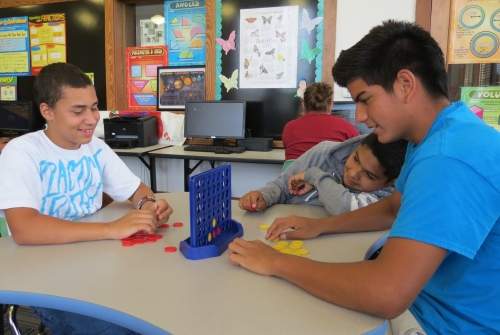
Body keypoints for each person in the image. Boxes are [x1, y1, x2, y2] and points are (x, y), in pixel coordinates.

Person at [228, 20, 500, 334]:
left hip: (443, 324)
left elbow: (387, 294)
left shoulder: (449, 157)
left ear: (405, 84)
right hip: (424, 305)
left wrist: (276, 262)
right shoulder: (435, 137)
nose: (359, 116)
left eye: (365, 99)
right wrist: (320, 226)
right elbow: (392, 208)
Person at [0, 62, 173, 334]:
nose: (92, 119)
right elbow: (24, 228)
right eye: (78, 111)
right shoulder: (21, 152)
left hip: (96, 262)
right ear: (47, 111)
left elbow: (136, 190)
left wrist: (148, 206)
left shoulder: (94, 146)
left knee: (161, 306)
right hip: (44, 277)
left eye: (94, 107)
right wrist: (111, 229)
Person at [239, 133, 407, 215]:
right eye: (355, 158)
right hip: (287, 233)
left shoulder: (388, 197)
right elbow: (282, 185)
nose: (354, 173)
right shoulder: (323, 152)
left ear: (388, 182)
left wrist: (314, 176)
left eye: (369, 176)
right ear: (356, 147)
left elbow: (344, 207)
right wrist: (263, 196)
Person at [282, 82, 359, 160]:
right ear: (331, 104)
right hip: (329, 172)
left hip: (295, 171)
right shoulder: (346, 127)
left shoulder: (290, 127)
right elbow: (357, 153)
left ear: (303, 104)